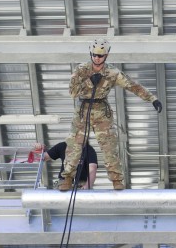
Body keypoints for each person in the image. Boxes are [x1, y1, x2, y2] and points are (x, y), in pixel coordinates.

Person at [60, 38, 162, 191]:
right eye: (94, 55)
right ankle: (67, 178)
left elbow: (132, 85)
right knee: (75, 146)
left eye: (100, 56)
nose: (96, 58)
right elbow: (72, 92)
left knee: (109, 148)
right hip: (83, 111)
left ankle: (116, 180)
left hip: (102, 112)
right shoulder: (81, 70)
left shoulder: (112, 73)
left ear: (106, 56)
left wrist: (152, 99)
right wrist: (89, 82)